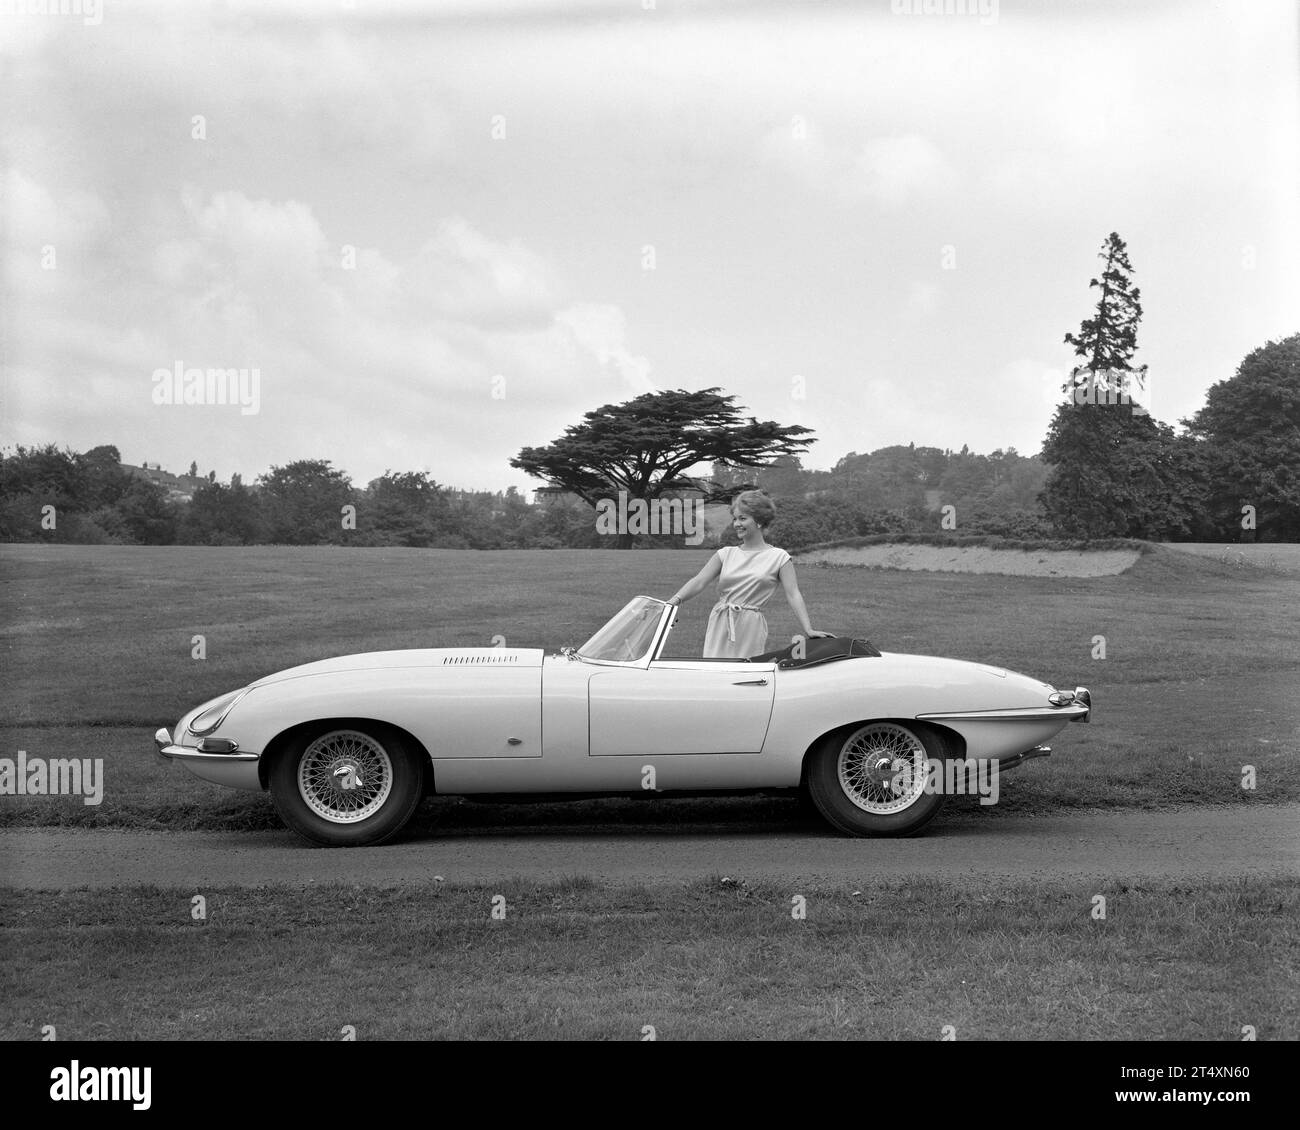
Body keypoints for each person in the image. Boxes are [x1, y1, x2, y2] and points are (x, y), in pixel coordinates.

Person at [666, 490, 833, 658]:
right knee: (715, 672)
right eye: (735, 518)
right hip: (721, 620)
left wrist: (808, 629)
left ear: (759, 521)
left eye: (743, 518)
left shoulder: (779, 557)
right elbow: (699, 581)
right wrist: (672, 602)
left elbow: (793, 594)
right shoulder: (726, 553)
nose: (737, 524)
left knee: (744, 675)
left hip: (751, 626)